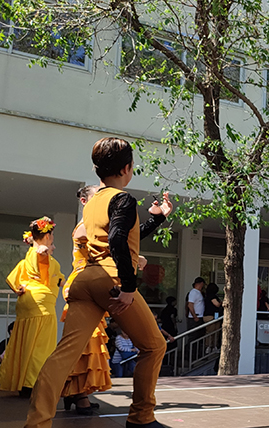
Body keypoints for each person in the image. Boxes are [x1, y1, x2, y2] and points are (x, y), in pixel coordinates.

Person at [25, 137, 172, 428]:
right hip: (110, 280)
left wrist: (155, 220)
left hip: (84, 281)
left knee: (62, 356)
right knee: (154, 347)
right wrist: (129, 287)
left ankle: (36, 422)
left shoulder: (92, 204)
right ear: (127, 168)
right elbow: (117, 240)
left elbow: (119, 236)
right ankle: (142, 417)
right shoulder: (123, 199)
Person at [60, 184, 113, 415]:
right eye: (96, 198)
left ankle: (78, 391)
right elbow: (102, 247)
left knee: (90, 342)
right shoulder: (84, 227)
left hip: (92, 284)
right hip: (82, 284)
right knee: (84, 341)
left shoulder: (93, 227)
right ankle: (76, 393)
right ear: (84, 202)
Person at [0, 217, 65, 398]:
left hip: (27, 303)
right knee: (41, 347)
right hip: (42, 305)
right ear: (48, 235)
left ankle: (22, 381)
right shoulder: (40, 254)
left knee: (25, 344)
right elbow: (43, 260)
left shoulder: (27, 258)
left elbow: (14, 280)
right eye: (51, 235)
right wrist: (44, 251)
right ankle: (32, 383)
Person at [203, 282, 222, 353]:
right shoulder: (212, 297)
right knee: (211, 332)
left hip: (212, 316)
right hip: (210, 316)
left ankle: (213, 346)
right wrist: (222, 303)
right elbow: (217, 304)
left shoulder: (207, 296)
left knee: (214, 332)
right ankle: (209, 347)